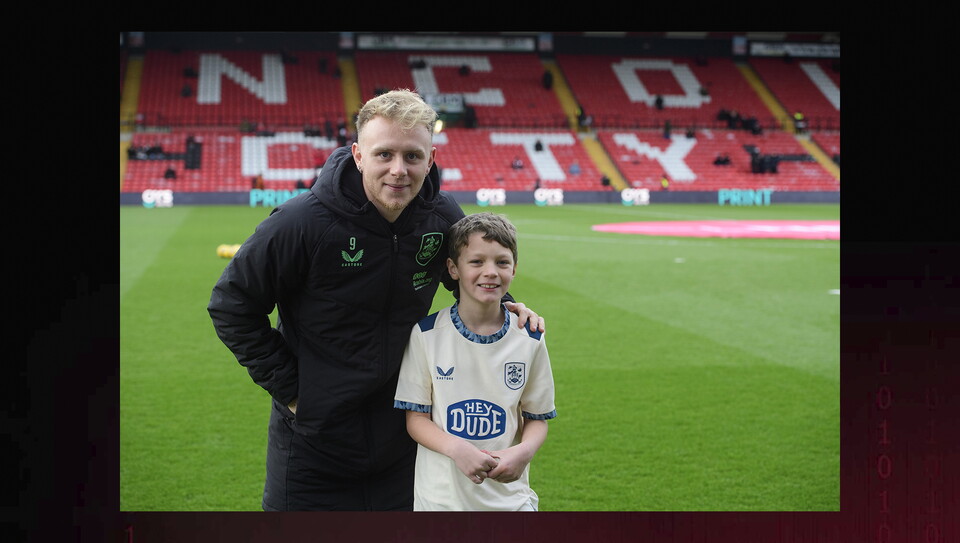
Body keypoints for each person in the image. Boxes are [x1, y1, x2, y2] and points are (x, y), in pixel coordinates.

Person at [208, 89, 544, 512]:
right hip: (313, 442)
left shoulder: (441, 218)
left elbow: (474, 275)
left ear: (432, 158)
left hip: (403, 438)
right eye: (384, 154)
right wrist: (296, 392)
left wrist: (510, 308)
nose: (399, 170)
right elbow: (231, 305)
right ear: (358, 155)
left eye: (412, 156)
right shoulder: (302, 222)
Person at [394, 212, 556, 511]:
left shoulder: (530, 337)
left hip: (510, 502)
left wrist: (524, 451)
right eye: (477, 262)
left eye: (502, 262)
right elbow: (416, 419)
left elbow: (537, 416)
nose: (491, 272)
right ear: (453, 268)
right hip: (440, 502)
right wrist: (456, 449)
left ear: (515, 268)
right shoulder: (427, 335)